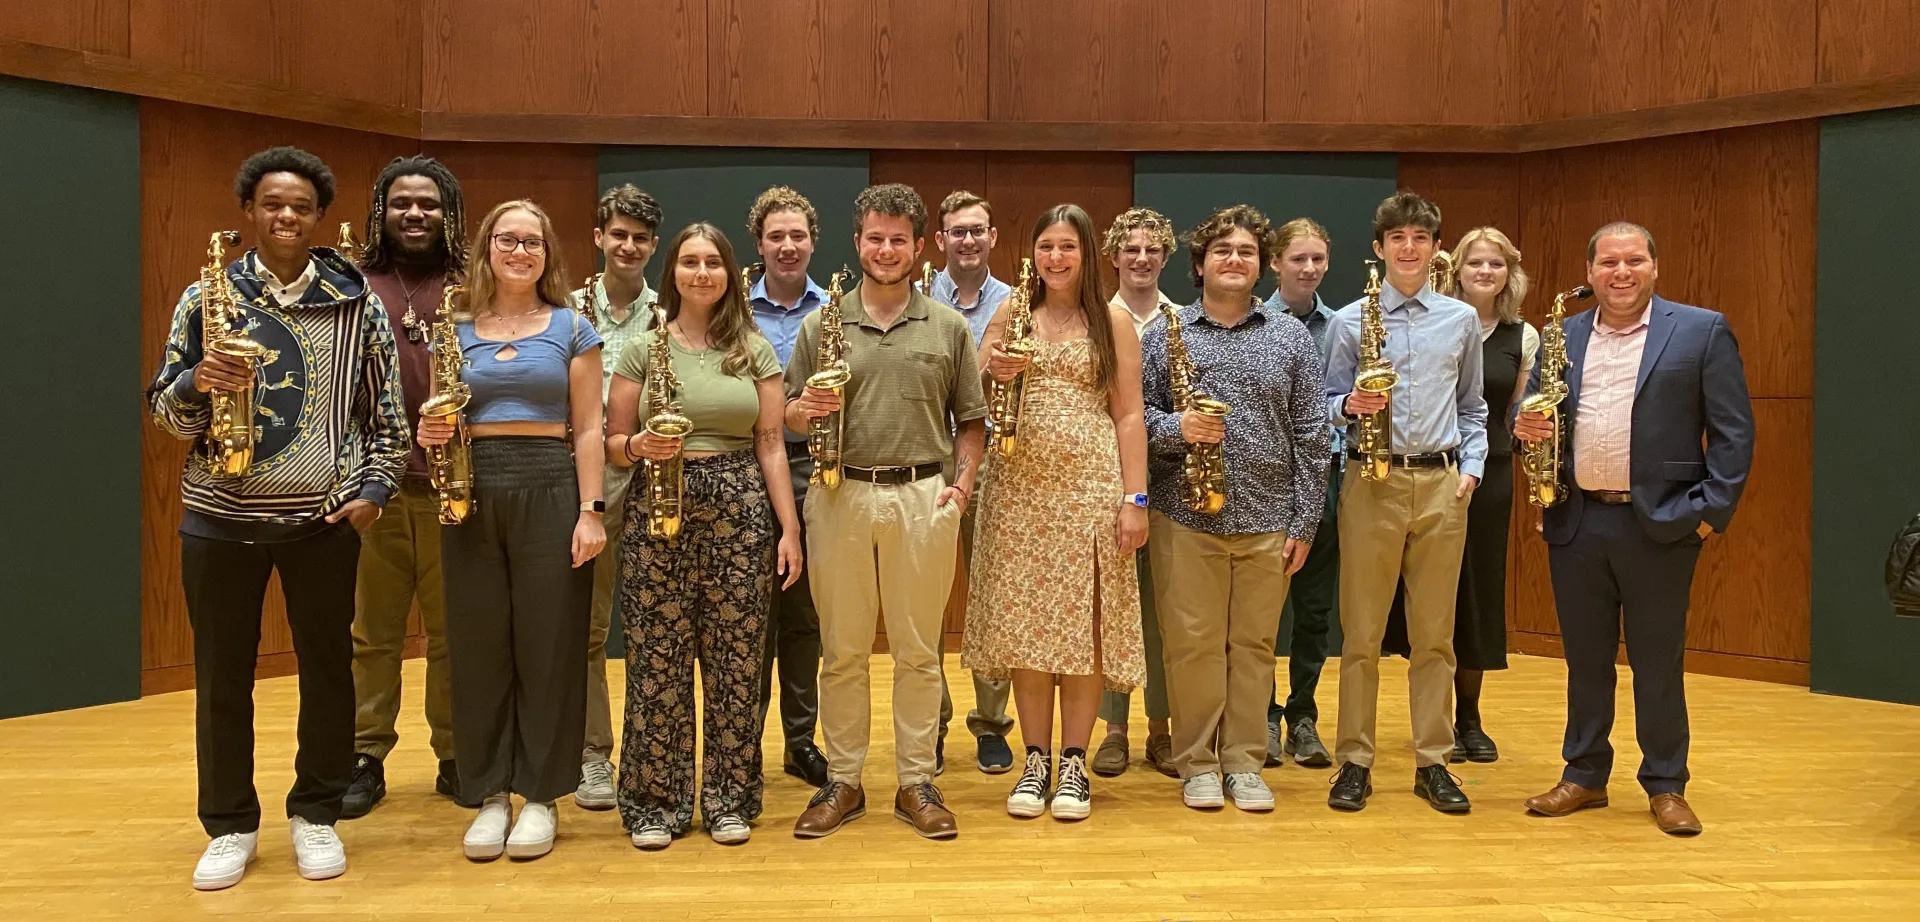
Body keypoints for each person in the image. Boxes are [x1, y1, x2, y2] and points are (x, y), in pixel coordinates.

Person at [147, 146, 407, 889]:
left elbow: (387, 416)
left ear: (318, 216)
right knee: (221, 677)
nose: (285, 216)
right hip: (218, 518)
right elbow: (166, 415)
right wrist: (198, 380)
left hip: (321, 522)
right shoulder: (207, 298)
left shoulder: (358, 301)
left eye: (299, 206)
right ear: (250, 213)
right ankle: (229, 824)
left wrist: (375, 493)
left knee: (329, 673)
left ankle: (316, 811)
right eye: (271, 204)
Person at [1515, 222, 1753, 836]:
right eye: (1609, 263)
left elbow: (1733, 433)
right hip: (1577, 520)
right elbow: (1534, 410)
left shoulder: (1701, 330)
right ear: (1590, 272)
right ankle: (1585, 774)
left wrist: (1707, 514)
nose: (1621, 273)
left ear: (1654, 266)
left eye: (1634, 261)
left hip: (1665, 525)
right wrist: (1524, 425)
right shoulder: (1562, 335)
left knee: (1657, 661)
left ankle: (1667, 783)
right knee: (1585, 660)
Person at [785, 184, 987, 840]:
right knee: (842, 649)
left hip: (925, 497)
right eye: (875, 237)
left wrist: (961, 487)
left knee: (918, 650)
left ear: (919, 246)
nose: (886, 248)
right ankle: (843, 780)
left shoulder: (949, 326)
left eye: (899, 238)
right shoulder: (823, 324)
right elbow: (786, 412)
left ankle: (914, 782)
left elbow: (972, 421)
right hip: (839, 494)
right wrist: (804, 411)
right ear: (858, 241)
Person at [417, 200, 607, 862]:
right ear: (487, 249)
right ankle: (490, 795)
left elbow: (588, 428)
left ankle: (542, 795)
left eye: (532, 241)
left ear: (548, 252)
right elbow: (441, 414)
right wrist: (428, 431)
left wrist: (591, 510)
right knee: (478, 646)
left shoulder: (573, 327)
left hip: (550, 484)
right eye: (507, 239)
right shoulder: (457, 326)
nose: (519, 251)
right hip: (471, 491)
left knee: (549, 645)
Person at [605, 223, 805, 849]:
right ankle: (654, 803)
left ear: (728, 273)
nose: (701, 273)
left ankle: (728, 797)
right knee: (656, 662)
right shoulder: (644, 348)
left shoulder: (754, 350)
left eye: (712, 262)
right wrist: (638, 444)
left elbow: (771, 443)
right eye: (689, 262)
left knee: (737, 663)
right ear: (674, 273)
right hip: (657, 509)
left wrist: (788, 529)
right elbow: (611, 444)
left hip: (741, 509)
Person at [1140, 205, 1329, 813]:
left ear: (1262, 265)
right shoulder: (1166, 334)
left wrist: (1304, 523)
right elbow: (1132, 420)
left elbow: (1311, 434)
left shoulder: (1290, 336)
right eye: (1222, 250)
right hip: (1185, 515)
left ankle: (1244, 761)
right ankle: (1195, 761)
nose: (1234, 260)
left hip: (1269, 518)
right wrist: (1179, 427)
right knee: (1191, 644)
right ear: (1199, 265)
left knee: (1252, 646)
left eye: (1246, 252)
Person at [964, 204, 1149, 820]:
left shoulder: (1113, 320)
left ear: (1087, 252)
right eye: (1046, 246)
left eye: (1067, 246)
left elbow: (1128, 414)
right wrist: (997, 369)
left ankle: (1074, 761)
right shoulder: (1011, 312)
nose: (1056, 258)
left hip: (1090, 488)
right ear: (1032, 253)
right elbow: (976, 388)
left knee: (1085, 627)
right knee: (1027, 625)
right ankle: (1034, 758)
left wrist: (1135, 497)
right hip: (1017, 490)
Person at [1323, 191, 1487, 815]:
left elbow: (1473, 406)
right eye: (1398, 238)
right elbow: (1322, 405)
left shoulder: (1461, 319)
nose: (1410, 248)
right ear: (1379, 247)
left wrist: (1469, 471)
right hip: (1371, 482)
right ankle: (1355, 761)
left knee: (1434, 637)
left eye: (1421, 237)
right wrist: (1348, 408)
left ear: (1436, 247)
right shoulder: (1347, 321)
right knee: (1362, 634)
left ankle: (1433, 761)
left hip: (1442, 483)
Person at [1381, 227, 1541, 763]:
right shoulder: (1438, 323)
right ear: (1457, 267)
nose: (1485, 273)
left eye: (1496, 264)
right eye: (1475, 263)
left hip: (1488, 474)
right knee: (1429, 597)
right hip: (1432, 468)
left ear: (1509, 273)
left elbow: (1512, 412)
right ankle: (1434, 717)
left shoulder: (1525, 337)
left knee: (1477, 591)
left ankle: (1470, 716)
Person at [342, 155, 470, 818]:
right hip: (374, 487)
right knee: (374, 633)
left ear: (449, 214)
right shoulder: (352, 282)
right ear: (380, 212)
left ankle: (454, 754)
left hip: (455, 487)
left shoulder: (474, 285)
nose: (415, 214)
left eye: (428, 203)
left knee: (452, 633)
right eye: (401, 203)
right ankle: (364, 755)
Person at [570, 184, 663, 811]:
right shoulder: (568, 308)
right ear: (600, 237)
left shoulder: (670, 310)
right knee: (589, 629)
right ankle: (592, 757)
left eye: (640, 237)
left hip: (654, 482)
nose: (628, 246)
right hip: (587, 485)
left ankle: (655, 752)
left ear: (654, 246)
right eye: (618, 234)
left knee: (657, 628)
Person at [745, 186, 833, 787]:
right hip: (743, 472)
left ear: (813, 242)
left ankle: (799, 742)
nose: (787, 245)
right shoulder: (733, 310)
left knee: (804, 619)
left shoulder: (835, 312)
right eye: (776, 235)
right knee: (747, 620)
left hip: (814, 470)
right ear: (759, 243)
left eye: (797, 235)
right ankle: (740, 744)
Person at [927, 189, 1016, 775]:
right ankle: (928, 722)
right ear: (939, 241)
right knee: (926, 599)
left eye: (977, 230)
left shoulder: (1018, 302)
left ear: (992, 237)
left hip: (998, 465)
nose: (967, 240)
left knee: (993, 597)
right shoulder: (911, 301)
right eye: (957, 231)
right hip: (928, 458)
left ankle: (990, 723)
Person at [1092, 206, 1179, 778]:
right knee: (1113, 608)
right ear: (1114, 256)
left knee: (1164, 610)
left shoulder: (1183, 321)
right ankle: (1114, 729)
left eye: (1152, 250)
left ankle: (1162, 730)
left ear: (1165, 257)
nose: (1141, 259)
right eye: (1131, 249)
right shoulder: (1095, 318)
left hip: (1171, 483)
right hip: (1106, 480)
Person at [1260, 218, 1339, 771]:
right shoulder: (1254, 322)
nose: (1308, 269)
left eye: (1317, 259)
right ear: (1275, 263)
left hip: (1323, 482)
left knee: (1313, 609)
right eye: (1297, 259)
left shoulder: (1343, 327)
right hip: (1263, 488)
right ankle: (1261, 714)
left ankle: (1303, 714)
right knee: (1261, 614)